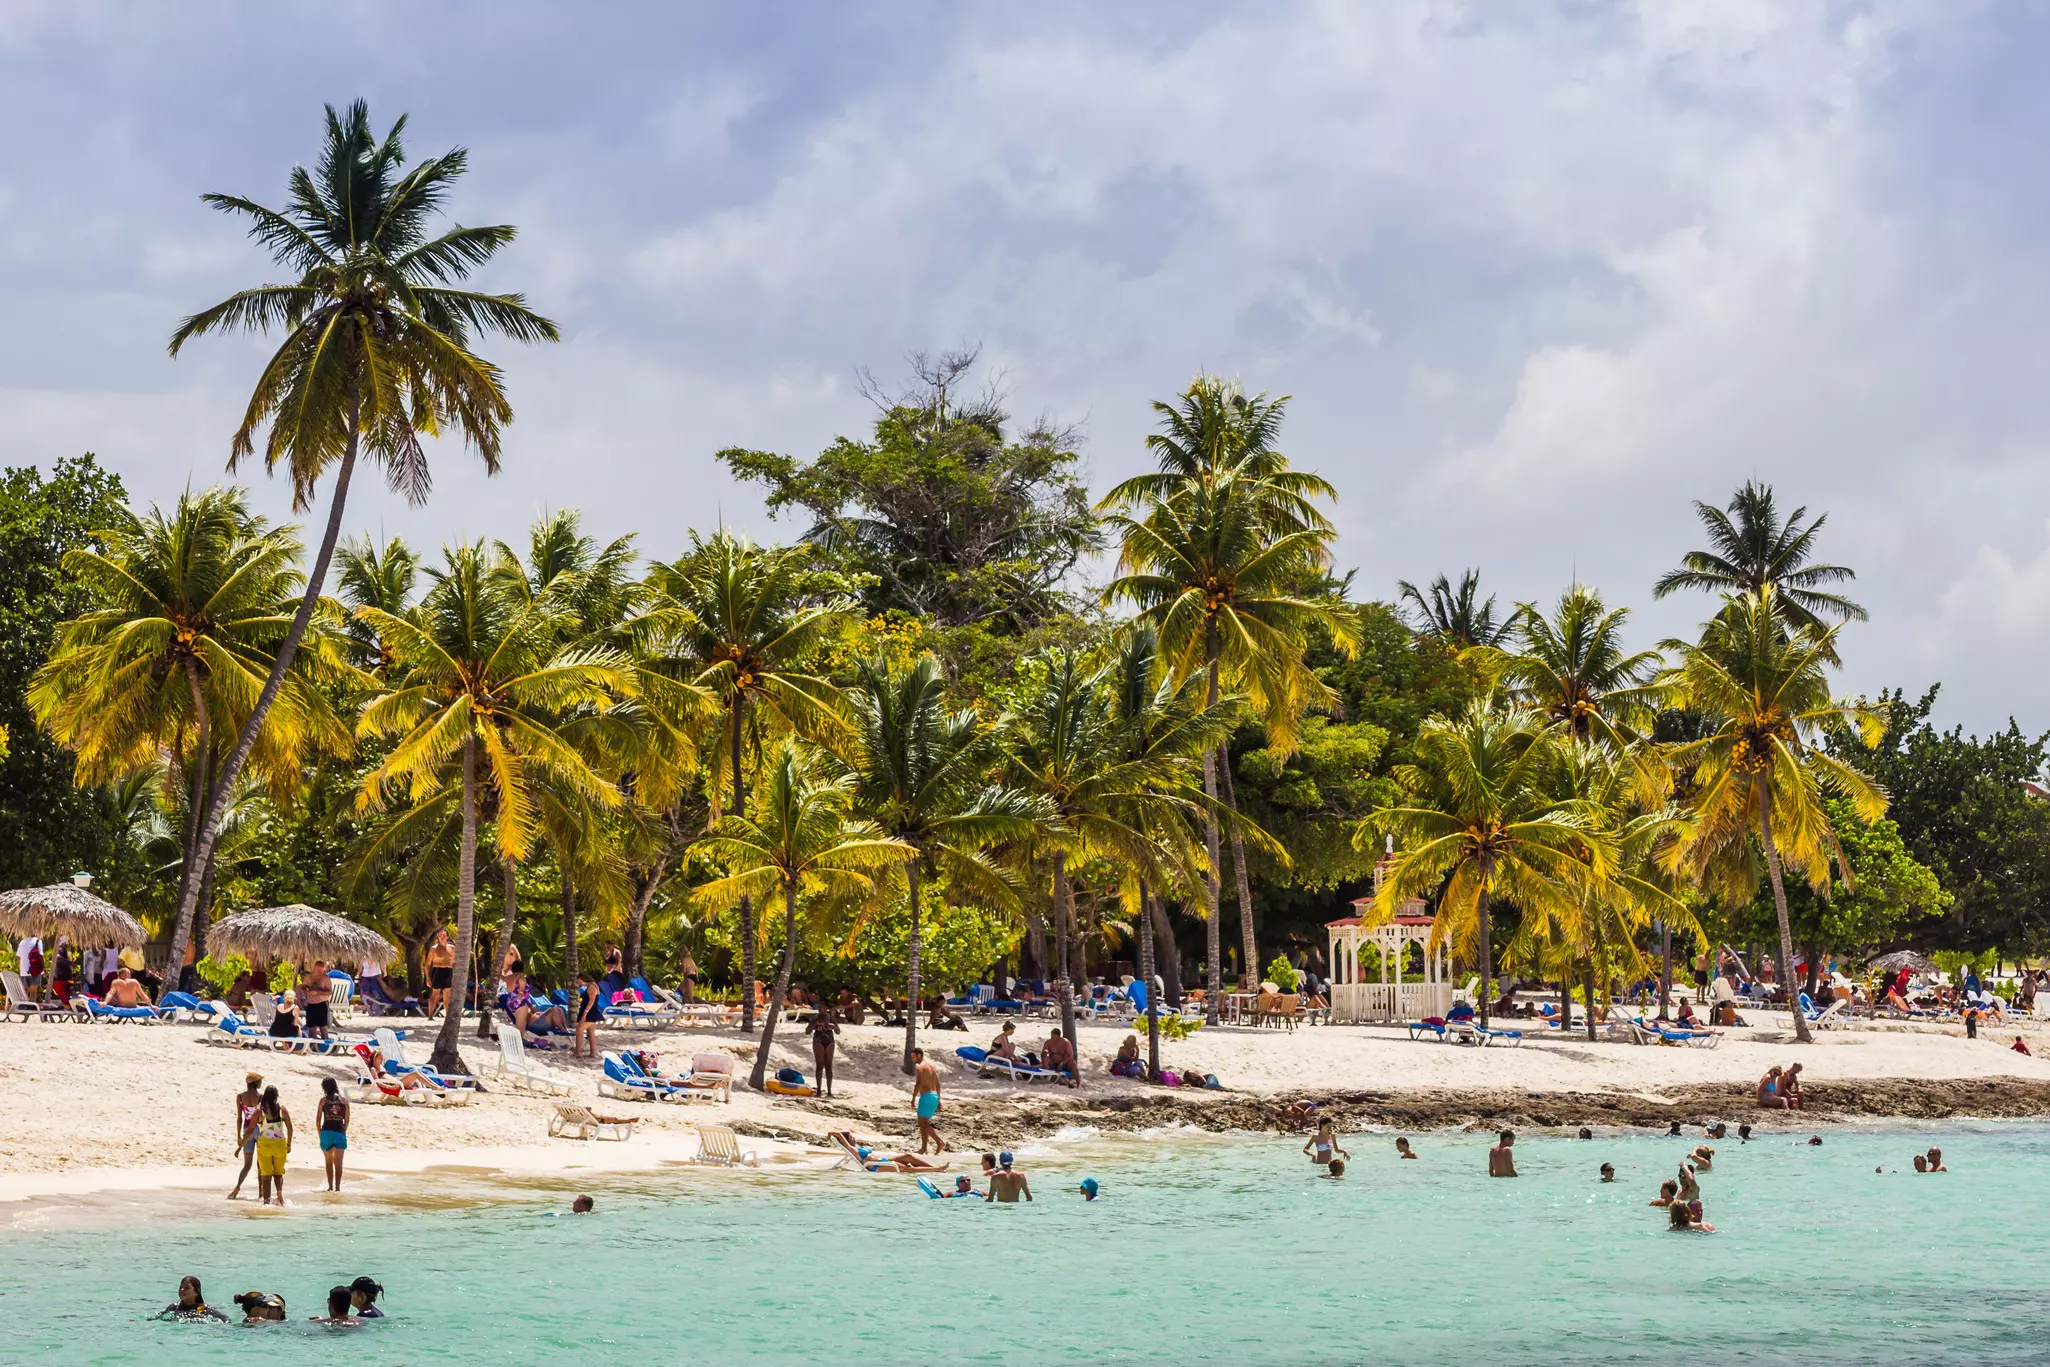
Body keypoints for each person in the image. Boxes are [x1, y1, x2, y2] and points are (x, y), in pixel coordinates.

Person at [242, 1084, 293, 1206]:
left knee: (266, 1174)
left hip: (265, 1144)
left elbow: (249, 1130)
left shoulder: (260, 1111)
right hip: (280, 1144)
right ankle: (279, 1193)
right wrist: (289, 1144)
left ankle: (266, 1202)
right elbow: (290, 1128)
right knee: (278, 1173)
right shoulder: (283, 1110)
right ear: (276, 1096)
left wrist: (240, 1146)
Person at [228, 1072, 264, 1200]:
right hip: (259, 1130)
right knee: (260, 1164)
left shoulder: (240, 1097)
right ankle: (261, 1193)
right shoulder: (260, 1097)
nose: (261, 1083)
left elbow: (239, 1118)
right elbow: (261, 1117)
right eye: (259, 1081)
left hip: (246, 1131)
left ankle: (237, 1188)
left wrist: (238, 1136)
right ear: (255, 1083)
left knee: (247, 1165)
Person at [317, 1077, 350, 1193]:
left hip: (326, 1132)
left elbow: (318, 1120)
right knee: (339, 1163)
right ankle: (337, 1188)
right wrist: (343, 1131)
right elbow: (347, 1120)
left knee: (328, 1162)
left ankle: (330, 1187)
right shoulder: (344, 1101)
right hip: (339, 1133)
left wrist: (320, 1133)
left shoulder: (323, 1101)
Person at [911, 1047, 946, 1153]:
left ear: (919, 1055)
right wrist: (939, 1100)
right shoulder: (931, 1067)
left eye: (913, 1057)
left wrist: (913, 1099)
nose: (912, 1060)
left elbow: (918, 1083)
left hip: (926, 1096)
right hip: (934, 1096)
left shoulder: (919, 1066)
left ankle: (939, 1142)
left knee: (922, 1124)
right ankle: (924, 1148)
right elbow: (938, 1084)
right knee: (924, 1123)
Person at [154, 1275, 227, 1321]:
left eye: (187, 1288)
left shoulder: (202, 1308)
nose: (182, 1290)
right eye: (180, 1287)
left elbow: (224, 1319)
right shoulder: (174, 1307)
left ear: (197, 1292)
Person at [807, 1007, 840, 1099]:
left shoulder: (831, 1018)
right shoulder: (815, 1018)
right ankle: (819, 1091)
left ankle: (829, 1091)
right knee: (819, 1066)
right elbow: (807, 1031)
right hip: (818, 1040)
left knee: (828, 1065)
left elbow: (838, 1031)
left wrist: (833, 1026)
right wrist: (814, 1025)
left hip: (829, 1041)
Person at [425, 929, 455, 1018]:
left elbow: (454, 963)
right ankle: (430, 1016)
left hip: (448, 972)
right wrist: (428, 978)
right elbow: (427, 964)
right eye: (440, 935)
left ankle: (448, 1016)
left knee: (447, 995)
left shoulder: (452, 948)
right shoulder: (433, 949)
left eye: (444, 935)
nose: (442, 937)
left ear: (447, 937)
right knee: (435, 995)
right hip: (437, 971)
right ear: (437, 937)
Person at [573, 970, 603, 1059]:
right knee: (590, 1033)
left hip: (590, 1012)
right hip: (589, 1011)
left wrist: (585, 1014)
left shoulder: (592, 987)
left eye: (579, 981)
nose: (579, 983)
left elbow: (591, 1001)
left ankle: (577, 1052)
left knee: (579, 1030)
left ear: (583, 979)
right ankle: (593, 1052)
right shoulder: (590, 986)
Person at [301, 962, 333, 1040]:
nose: (320, 972)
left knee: (323, 1027)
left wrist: (318, 992)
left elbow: (330, 992)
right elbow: (303, 987)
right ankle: (313, 1046)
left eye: (322, 970)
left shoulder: (325, 978)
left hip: (321, 1004)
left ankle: (325, 1045)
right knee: (311, 1028)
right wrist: (306, 994)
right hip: (311, 1004)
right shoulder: (309, 977)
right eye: (318, 970)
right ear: (315, 968)